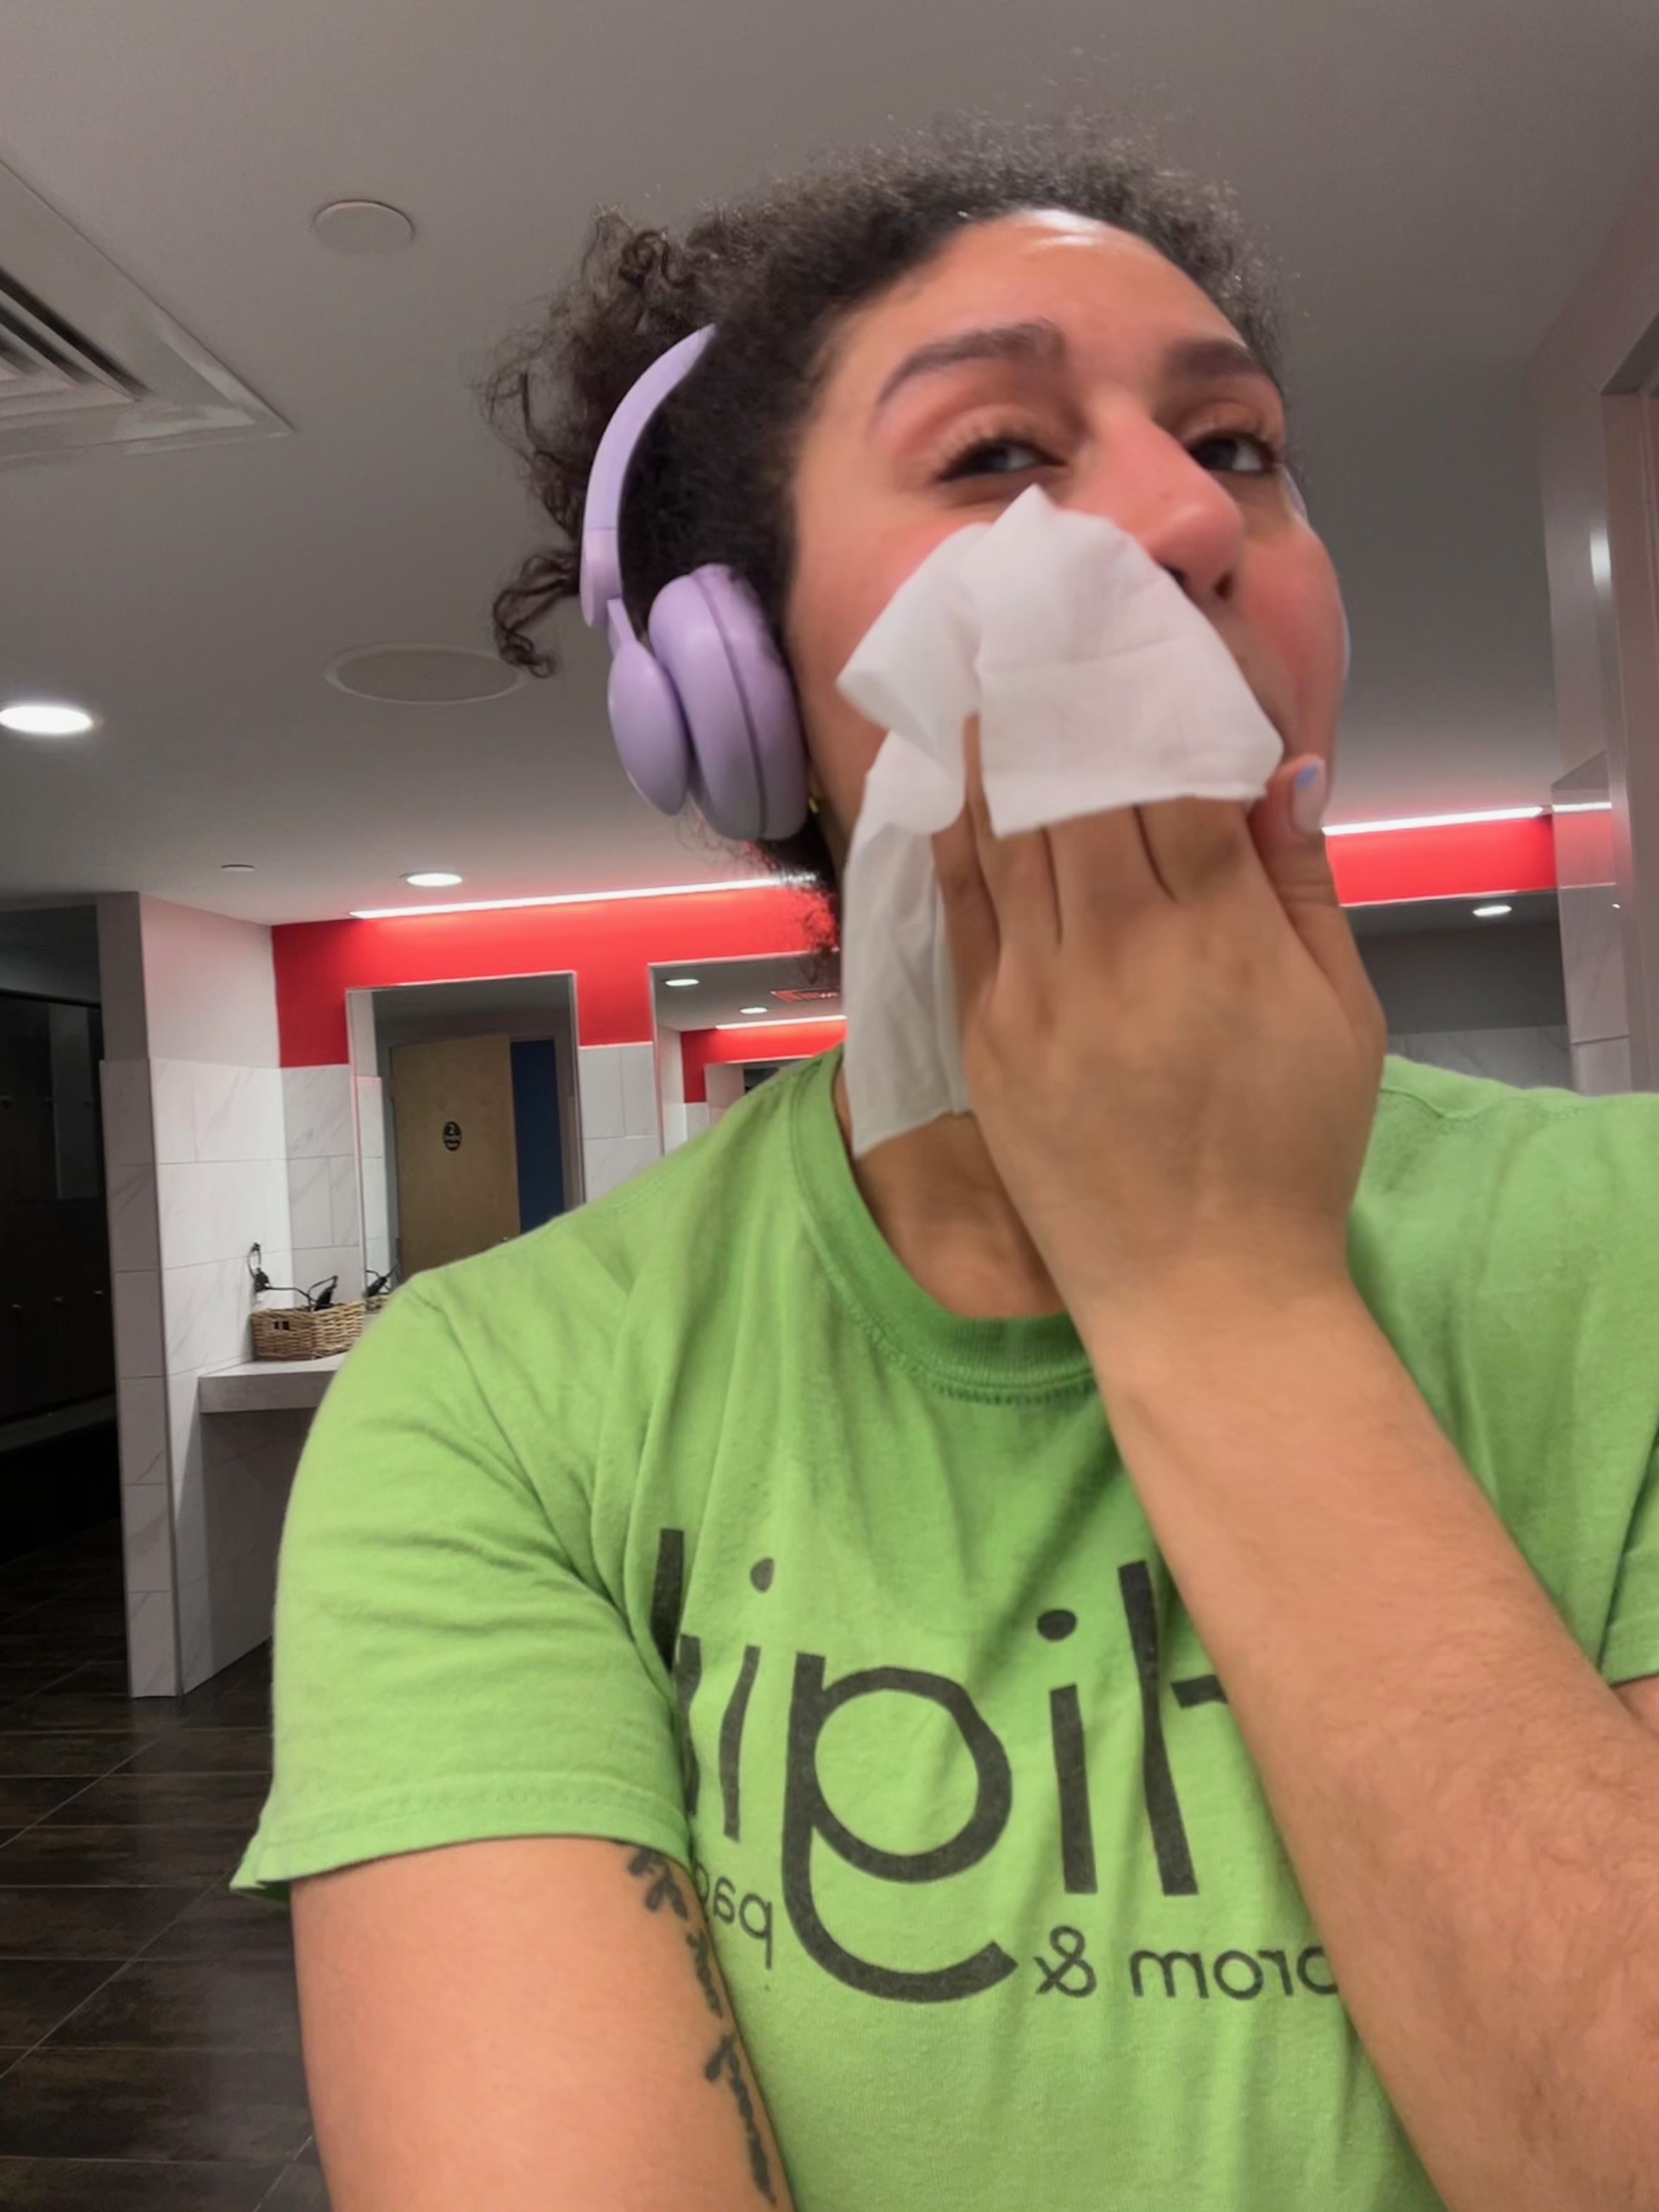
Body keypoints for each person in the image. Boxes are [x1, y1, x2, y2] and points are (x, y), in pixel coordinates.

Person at [235, 121, 1659, 2212]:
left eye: (1241, 447)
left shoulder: (1636, 1247)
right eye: (997, 454)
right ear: (737, 684)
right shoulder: (496, 1400)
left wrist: (1225, 1298)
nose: (1191, 516)